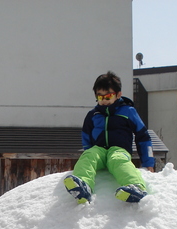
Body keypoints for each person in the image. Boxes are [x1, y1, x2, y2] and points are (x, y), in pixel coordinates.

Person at [64, 71, 155, 204]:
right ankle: (83, 186)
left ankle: (136, 187)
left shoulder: (128, 111)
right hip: (99, 150)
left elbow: (143, 136)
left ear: (118, 95)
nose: (104, 101)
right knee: (88, 155)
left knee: (118, 159)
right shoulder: (93, 114)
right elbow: (86, 135)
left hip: (119, 149)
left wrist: (148, 162)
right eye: (100, 97)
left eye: (108, 96)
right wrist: (91, 152)